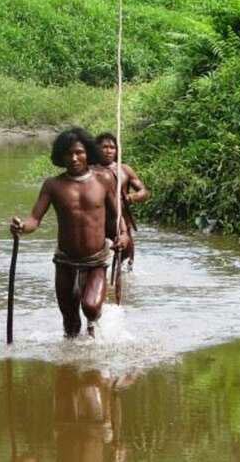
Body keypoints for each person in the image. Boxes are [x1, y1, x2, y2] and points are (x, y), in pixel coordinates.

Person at [10, 128, 129, 338]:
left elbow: (116, 214)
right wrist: (22, 228)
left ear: (88, 153)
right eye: (68, 154)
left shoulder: (104, 179)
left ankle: (94, 329)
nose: (74, 158)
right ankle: (71, 362)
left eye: (79, 152)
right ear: (60, 157)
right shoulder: (53, 185)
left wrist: (123, 234)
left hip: (96, 259)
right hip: (65, 260)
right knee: (70, 321)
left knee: (91, 307)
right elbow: (34, 219)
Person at [95, 132, 150, 268]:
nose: (108, 151)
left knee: (125, 257)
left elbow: (144, 192)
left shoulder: (124, 170)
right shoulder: (90, 171)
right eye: (104, 147)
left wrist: (131, 197)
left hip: (121, 220)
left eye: (112, 147)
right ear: (96, 149)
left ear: (117, 150)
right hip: (97, 222)